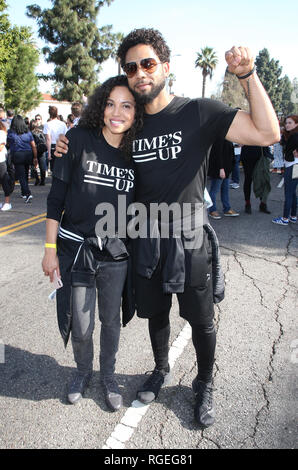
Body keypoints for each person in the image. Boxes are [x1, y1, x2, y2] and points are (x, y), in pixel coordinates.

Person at [55, 28, 280, 428]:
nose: (140, 72)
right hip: (143, 237)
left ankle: (205, 381)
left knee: (200, 318)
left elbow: (268, 133)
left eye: (147, 63)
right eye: (131, 67)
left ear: (165, 67)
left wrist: (248, 76)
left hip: (190, 236)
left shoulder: (198, 111)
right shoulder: (130, 122)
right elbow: (94, 137)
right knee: (155, 314)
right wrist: (65, 145)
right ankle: (161, 370)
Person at [42, 75, 143, 411]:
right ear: (101, 107)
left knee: (111, 321)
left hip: (116, 253)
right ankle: (83, 371)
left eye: (126, 105)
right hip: (78, 251)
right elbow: (55, 199)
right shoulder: (76, 140)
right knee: (82, 324)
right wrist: (49, 249)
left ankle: (108, 376)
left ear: (135, 112)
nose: (117, 112)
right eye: (111, 103)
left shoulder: (137, 151)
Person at [272, 114, 298, 225]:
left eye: (290, 123)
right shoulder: (291, 134)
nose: (287, 125)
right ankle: (292, 216)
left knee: (289, 193)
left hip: (292, 166)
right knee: (292, 193)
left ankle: (285, 218)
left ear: (296, 124)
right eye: (286, 123)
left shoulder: (294, 135)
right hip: (293, 166)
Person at [7, 115, 37, 203]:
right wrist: (35, 157)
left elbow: (8, 143)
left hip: (17, 154)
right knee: (25, 173)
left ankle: (27, 193)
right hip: (28, 153)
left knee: (21, 176)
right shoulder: (28, 133)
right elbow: (33, 146)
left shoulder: (11, 133)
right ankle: (24, 192)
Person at [208, 137, 239, 219]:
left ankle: (227, 209)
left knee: (225, 190)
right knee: (214, 190)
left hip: (226, 168)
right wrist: (220, 168)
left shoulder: (228, 136)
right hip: (219, 169)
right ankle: (212, 210)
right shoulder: (219, 136)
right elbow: (217, 154)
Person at [241, 145, 272, 214]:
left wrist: (268, 154)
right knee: (248, 180)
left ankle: (263, 203)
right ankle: (247, 204)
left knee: (263, 180)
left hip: (261, 155)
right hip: (248, 155)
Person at [43, 106, 67, 172]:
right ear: (57, 113)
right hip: (62, 146)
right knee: (61, 168)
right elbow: (66, 136)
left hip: (53, 146)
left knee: (53, 169)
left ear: (49, 114)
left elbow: (48, 139)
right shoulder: (63, 124)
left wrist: (49, 153)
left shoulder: (47, 124)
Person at [30, 120, 47, 186]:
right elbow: (44, 140)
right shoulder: (40, 132)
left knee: (33, 166)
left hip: (33, 150)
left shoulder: (29, 133)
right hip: (41, 150)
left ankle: (37, 179)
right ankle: (43, 180)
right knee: (42, 166)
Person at [0, 121, 12, 211]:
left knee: (4, 181)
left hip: (1, 160)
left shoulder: (2, 133)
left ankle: (7, 202)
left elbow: (1, 146)